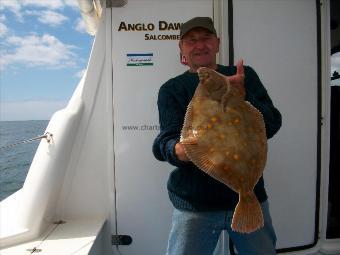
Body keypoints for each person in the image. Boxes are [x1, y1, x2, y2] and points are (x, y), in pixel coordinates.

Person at [152, 17, 282, 255]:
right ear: (181, 48)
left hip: (249, 197)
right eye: (191, 40)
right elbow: (164, 141)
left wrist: (243, 97)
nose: (199, 45)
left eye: (206, 38)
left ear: (217, 43)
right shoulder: (171, 89)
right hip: (194, 204)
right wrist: (179, 150)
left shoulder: (243, 76)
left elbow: (272, 124)